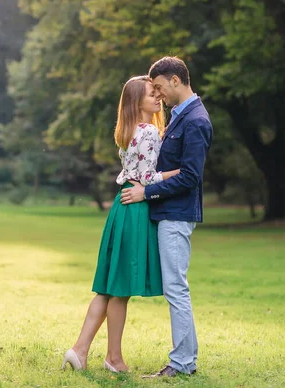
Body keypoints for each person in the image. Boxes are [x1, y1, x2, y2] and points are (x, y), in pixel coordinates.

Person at [62, 75, 180, 373]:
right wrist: (177, 172)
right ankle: (112, 358)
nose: (157, 98)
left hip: (121, 206)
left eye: (157, 93)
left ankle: (79, 351)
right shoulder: (151, 132)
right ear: (135, 101)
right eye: (151, 94)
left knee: (109, 287)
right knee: (120, 289)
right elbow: (149, 178)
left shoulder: (128, 131)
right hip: (136, 207)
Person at [121, 56, 213, 378]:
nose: (158, 95)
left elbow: (190, 176)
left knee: (176, 288)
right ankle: (185, 360)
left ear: (176, 80)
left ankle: (182, 364)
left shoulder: (196, 121)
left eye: (159, 87)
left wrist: (146, 192)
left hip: (177, 214)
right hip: (167, 212)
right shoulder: (178, 116)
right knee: (176, 287)